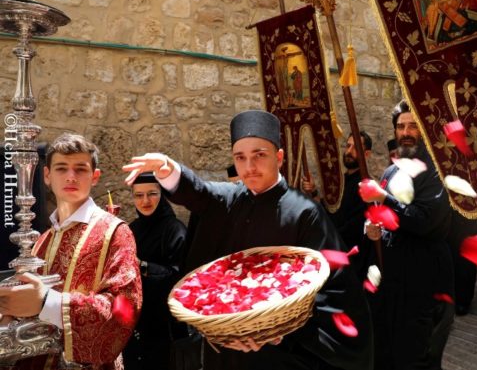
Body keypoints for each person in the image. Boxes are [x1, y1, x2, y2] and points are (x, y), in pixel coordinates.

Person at [123, 110, 374, 370]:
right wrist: (168, 170)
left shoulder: (304, 213)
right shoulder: (230, 200)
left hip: (280, 355)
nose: (249, 167)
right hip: (226, 352)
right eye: (240, 158)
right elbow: (200, 192)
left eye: (259, 155)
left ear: (279, 157)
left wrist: (279, 332)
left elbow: (335, 289)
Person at [0, 133, 142, 370]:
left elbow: (124, 310)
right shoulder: (42, 241)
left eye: (80, 169)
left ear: (95, 177)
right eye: (61, 168)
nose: (71, 176)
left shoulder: (115, 233)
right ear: (47, 176)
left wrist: (47, 302)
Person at [359, 101, 454, 370]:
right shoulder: (391, 171)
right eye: (401, 127)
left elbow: (426, 221)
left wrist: (384, 198)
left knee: (416, 357)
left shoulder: (436, 170)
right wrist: (371, 230)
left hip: (423, 279)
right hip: (391, 280)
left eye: (413, 126)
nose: (406, 132)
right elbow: (379, 214)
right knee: (387, 352)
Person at [123, 172, 188, 370]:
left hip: (165, 325)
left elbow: (181, 278)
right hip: (136, 323)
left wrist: (143, 266)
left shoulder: (175, 230)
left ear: (163, 195)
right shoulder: (131, 229)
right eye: (139, 195)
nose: (145, 201)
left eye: (152, 194)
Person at [303, 131, 373, 279]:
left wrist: (326, 238)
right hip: (331, 252)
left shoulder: (367, 186)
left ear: (366, 154)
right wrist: (314, 192)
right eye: (348, 146)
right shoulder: (340, 181)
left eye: (355, 148)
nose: (349, 151)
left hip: (349, 260)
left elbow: (353, 228)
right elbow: (330, 210)